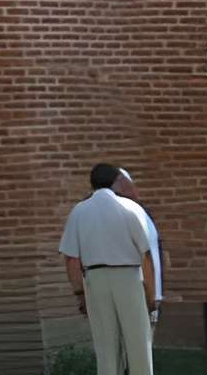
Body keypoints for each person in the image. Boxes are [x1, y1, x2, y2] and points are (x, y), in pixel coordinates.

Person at [60, 160, 158, 375]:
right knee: (138, 344)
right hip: (128, 277)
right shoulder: (131, 208)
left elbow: (71, 259)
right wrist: (150, 294)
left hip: (96, 279)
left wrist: (80, 294)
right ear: (115, 181)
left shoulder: (79, 211)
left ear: (91, 183)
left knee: (106, 346)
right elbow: (146, 255)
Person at [115, 168, 163, 358]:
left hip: (147, 294)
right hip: (135, 294)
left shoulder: (138, 213)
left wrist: (153, 295)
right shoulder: (124, 215)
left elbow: (150, 255)